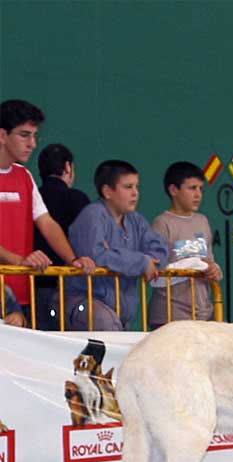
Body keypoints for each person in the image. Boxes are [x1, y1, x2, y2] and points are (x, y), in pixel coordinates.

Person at [0, 99, 95, 319]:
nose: (32, 144)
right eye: (24, 135)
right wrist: (18, 261)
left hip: (22, 295)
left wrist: (73, 260)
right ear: (3, 135)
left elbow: (46, 222)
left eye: (35, 136)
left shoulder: (24, 176)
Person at [66, 160, 169, 331]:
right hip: (85, 303)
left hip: (121, 311)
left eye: (137, 187)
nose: (135, 193)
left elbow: (159, 251)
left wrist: (146, 261)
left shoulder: (136, 220)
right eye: (128, 187)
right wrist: (141, 262)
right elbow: (97, 256)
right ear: (107, 191)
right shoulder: (92, 215)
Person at [148, 161, 222, 327]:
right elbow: (155, 277)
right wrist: (193, 265)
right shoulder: (162, 223)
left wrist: (214, 270)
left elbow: (208, 261)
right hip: (170, 317)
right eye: (192, 188)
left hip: (203, 316)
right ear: (174, 190)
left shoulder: (202, 221)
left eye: (200, 189)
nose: (198, 194)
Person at [34, 143, 91, 330]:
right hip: (68, 289)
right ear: (68, 167)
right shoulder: (77, 199)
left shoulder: (33, 197)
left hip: (31, 284)